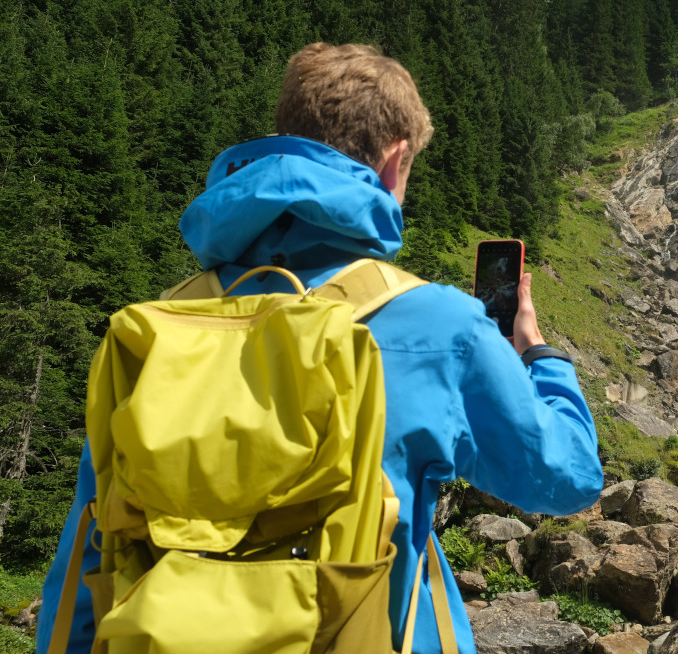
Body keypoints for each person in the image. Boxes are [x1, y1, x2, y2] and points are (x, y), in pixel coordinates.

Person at [37, 42, 605, 654]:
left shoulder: (155, 326)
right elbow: (567, 478)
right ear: (395, 163)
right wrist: (541, 356)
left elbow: (88, 555)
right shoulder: (441, 325)